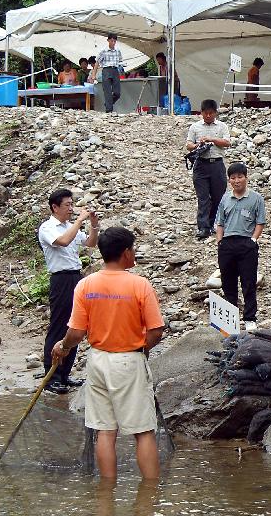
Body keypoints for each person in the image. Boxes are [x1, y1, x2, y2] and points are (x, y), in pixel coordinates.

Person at [51, 226, 164, 480]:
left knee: (105, 430)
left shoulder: (85, 285)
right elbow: (156, 331)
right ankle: (150, 497)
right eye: (133, 249)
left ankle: (106, 498)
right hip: (129, 359)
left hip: (98, 360)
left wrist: (64, 346)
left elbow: (76, 332)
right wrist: (141, 349)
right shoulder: (140, 285)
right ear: (125, 253)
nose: (134, 253)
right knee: (143, 431)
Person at [38, 189, 100, 394]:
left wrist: (93, 224)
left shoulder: (69, 226)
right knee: (58, 326)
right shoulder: (48, 228)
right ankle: (52, 377)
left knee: (76, 324)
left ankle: (64, 375)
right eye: (67, 205)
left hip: (76, 276)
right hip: (61, 279)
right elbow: (63, 241)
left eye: (72, 205)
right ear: (55, 207)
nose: (71, 209)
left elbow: (90, 243)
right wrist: (79, 221)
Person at [215, 163, 266, 332]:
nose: (236, 181)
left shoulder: (256, 198)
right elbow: (220, 222)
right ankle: (230, 318)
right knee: (228, 282)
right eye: (233, 178)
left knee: (248, 281)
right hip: (227, 244)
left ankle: (250, 318)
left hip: (246, 243)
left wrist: (253, 239)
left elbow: (260, 222)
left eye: (240, 177)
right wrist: (219, 241)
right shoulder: (225, 198)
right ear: (229, 180)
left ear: (246, 177)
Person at [186, 99, 231, 240]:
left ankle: (214, 224)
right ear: (201, 113)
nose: (208, 116)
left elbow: (227, 142)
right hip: (201, 165)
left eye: (211, 113)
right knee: (203, 197)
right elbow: (188, 144)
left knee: (218, 197)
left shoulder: (222, 126)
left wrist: (211, 140)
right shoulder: (195, 127)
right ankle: (203, 227)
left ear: (216, 113)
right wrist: (196, 146)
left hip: (217, 164)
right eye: (206, 113)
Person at [90, 34, 123, 113]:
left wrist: (121, 70)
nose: (113, 42)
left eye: (114, 41)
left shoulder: (117, 51)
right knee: (107, 91)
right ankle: (109, 110)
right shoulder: (103, 51)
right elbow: (97, 63)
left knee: (117, 93)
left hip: (115, 70)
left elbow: (120, 62)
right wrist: (94, 74)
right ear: (108, 41)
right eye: (112, 41)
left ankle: (108, 104)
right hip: (106, 70)